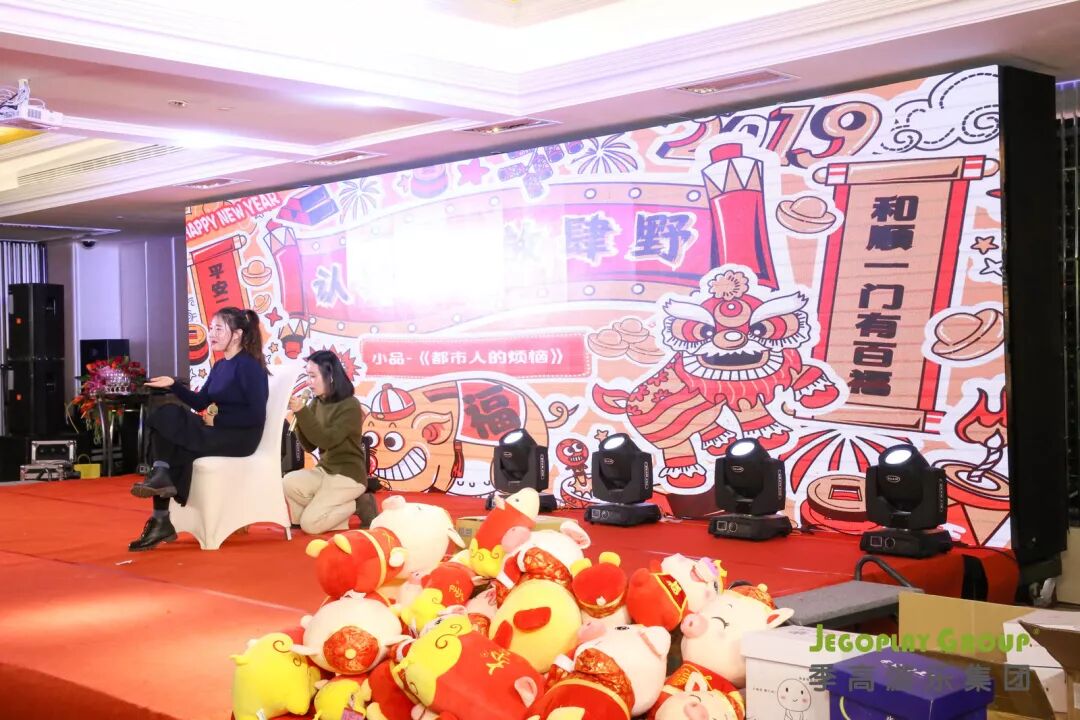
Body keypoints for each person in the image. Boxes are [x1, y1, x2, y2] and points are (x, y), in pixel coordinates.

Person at [128, 307, 269, 552]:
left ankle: (161, 516)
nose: (211, 334)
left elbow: (257, 416)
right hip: (219, 430)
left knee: (173, 434)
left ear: (237, 334)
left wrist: (219, 420)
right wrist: (173, 385)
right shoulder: (220, 366)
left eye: (218, 329)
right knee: (167, 417)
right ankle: (161, 480)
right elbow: (201, 402)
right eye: (211, 328)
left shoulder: (249, 366)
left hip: (240, 438)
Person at [283, 350, 373, 534]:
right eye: (308, 376)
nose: (308, 382)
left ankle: (356, 505)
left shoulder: (350, 405)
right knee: (288, 482)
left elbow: (327, 440)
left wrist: (302, 412)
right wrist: (299, 418)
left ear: (330, 376)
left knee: (311, 525)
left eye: (313, 376)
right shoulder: (317, 402)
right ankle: (323, 512)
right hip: (325, 470)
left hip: (348, 475)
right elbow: (310, 445)